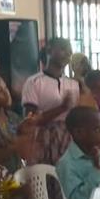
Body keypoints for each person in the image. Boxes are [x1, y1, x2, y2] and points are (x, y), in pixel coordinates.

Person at [21, 37, 79, 165]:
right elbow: (30, 120)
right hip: (42, 140)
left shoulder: (73, 84)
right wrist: (62, 108)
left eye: (70, 51)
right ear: (49, 50)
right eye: (63, 49)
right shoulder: (34, 82)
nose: (68, 54)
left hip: (67, 140)